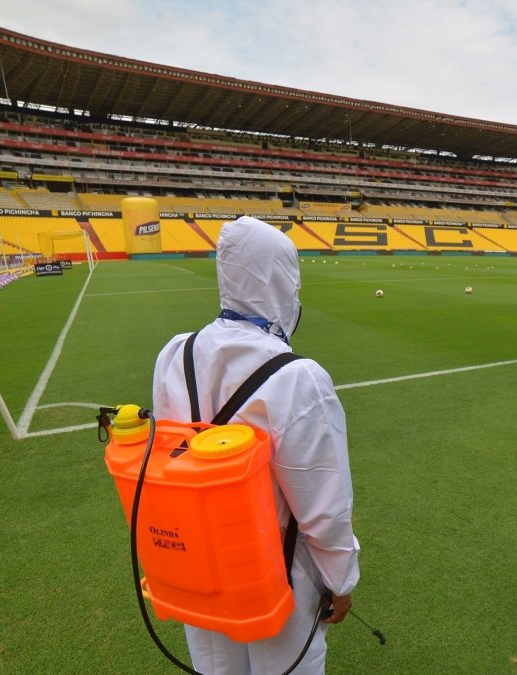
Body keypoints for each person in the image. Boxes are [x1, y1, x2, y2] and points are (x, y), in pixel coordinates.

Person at [152, 216, 360, 675]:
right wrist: (341, 580)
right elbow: (324, 502)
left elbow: (171, 455)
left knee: (214, 667)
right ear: (283, 281)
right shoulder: (298, 378)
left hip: (200, 562)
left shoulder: (175, 355)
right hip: (276, 573)